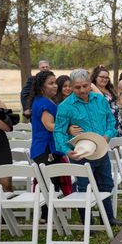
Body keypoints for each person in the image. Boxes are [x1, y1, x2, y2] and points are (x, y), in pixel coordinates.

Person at [54, 69, 122, 226]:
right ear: (72, 87)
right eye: (77, 87)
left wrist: (107, 135)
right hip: (80, 154)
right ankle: (87, 222)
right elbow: (59, 132)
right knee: (83, 187)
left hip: (101, 150)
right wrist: (67, 151)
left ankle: (108, 218)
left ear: (89, 84)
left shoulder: (100, 100)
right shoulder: (65, 106)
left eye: (85, 86)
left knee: (106, 184)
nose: (82, 90)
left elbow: (110, 121)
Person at [29, 70, 72, 220]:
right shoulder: (44, 102)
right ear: (42, 86)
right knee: (49, 184)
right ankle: (46, 217)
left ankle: (50, 215)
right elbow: (49, 125)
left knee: (53, 182)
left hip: (50, 147)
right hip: (45, 148)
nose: (55, 86)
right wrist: (68, 128)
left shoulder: (46, 100)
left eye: (55, 83)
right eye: (51, 83)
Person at [91, 65, 122, 136]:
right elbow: (103, 101)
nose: (105, 79)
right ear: (95, 77)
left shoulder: (110, 89)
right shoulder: (92, 91)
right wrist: (93, 86)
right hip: (106, 124)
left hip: (117, 121)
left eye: (107, 77)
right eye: (102, 77)